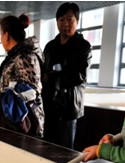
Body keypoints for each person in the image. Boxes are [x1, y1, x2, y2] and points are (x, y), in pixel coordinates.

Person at [42, 2, 92, 149]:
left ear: (77, 21)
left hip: (69, 107)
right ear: (57, 22)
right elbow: (43, 71)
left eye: (70, 19)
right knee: (47, 145)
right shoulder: (50, 46)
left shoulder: (83, 46)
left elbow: (79, 75)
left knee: (64, 149)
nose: (65, 23)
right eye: (62, 19)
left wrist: (53, 77)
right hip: (48, 104)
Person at [0, 14, 45, 138]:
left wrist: (1, 102)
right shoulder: (15, 56)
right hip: (16, 121)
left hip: (25, 124)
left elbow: (29, 94)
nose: (1, 38)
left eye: (1, 34)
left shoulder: (24, 56)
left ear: (6, 35)